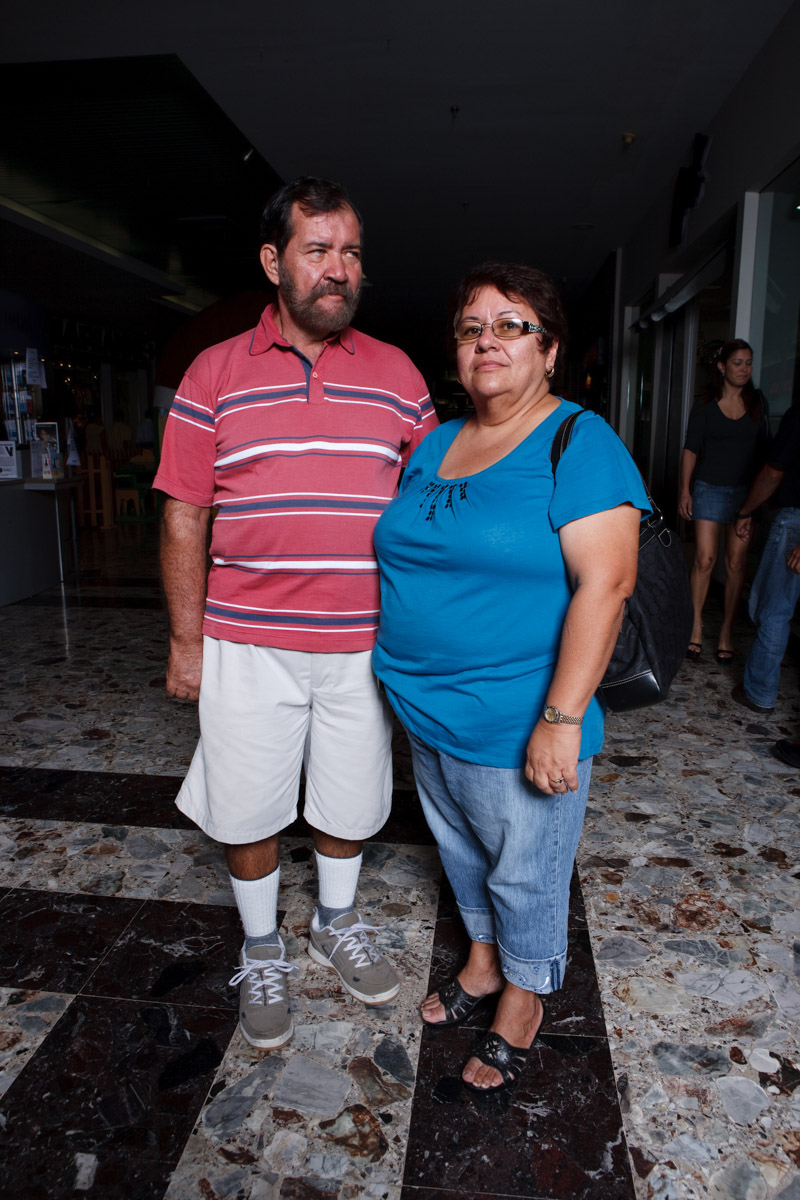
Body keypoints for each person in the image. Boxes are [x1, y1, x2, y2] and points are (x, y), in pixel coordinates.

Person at [154, 177, 436, 1051]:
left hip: (362, 641)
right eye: (319, 250)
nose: (339, 269)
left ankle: (335, 921)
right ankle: (263, 942)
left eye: (351, 252)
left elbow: (431, 505)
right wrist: (186, 641)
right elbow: (184, 513)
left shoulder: (397, 374)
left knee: (351, 799)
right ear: (275, 261)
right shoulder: (214, 372)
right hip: (247, 643)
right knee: (247, 806)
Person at [371, 262, 649, 1093]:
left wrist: (560, 720)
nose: (486, 340)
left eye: (511, 325)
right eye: (471, 328)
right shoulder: (434, 443)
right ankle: (485, 959)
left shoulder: (579, 441)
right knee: (461, 849)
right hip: (424, 706)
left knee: (525, 868)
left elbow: (608, 584)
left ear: (550, 350)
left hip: (518, 712)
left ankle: (524, 996)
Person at [678, 339, 768, 663]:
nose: (744, 369)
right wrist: (685, 490)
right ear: (722, 366)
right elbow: (691, 449)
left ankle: (727, 631)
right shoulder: (705, 404)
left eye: (748, 363)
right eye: (737, 363)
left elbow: (765, 453)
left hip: (745, 494)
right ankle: (695, 626)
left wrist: (757, 502)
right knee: (704, 559)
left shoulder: (758, 403)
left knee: (736, 564)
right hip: (708, 489)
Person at [731, 403, 800, 715]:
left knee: (773, 611)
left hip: (795, 522)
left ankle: (759, 692)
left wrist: (746, 510)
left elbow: (773, 473)